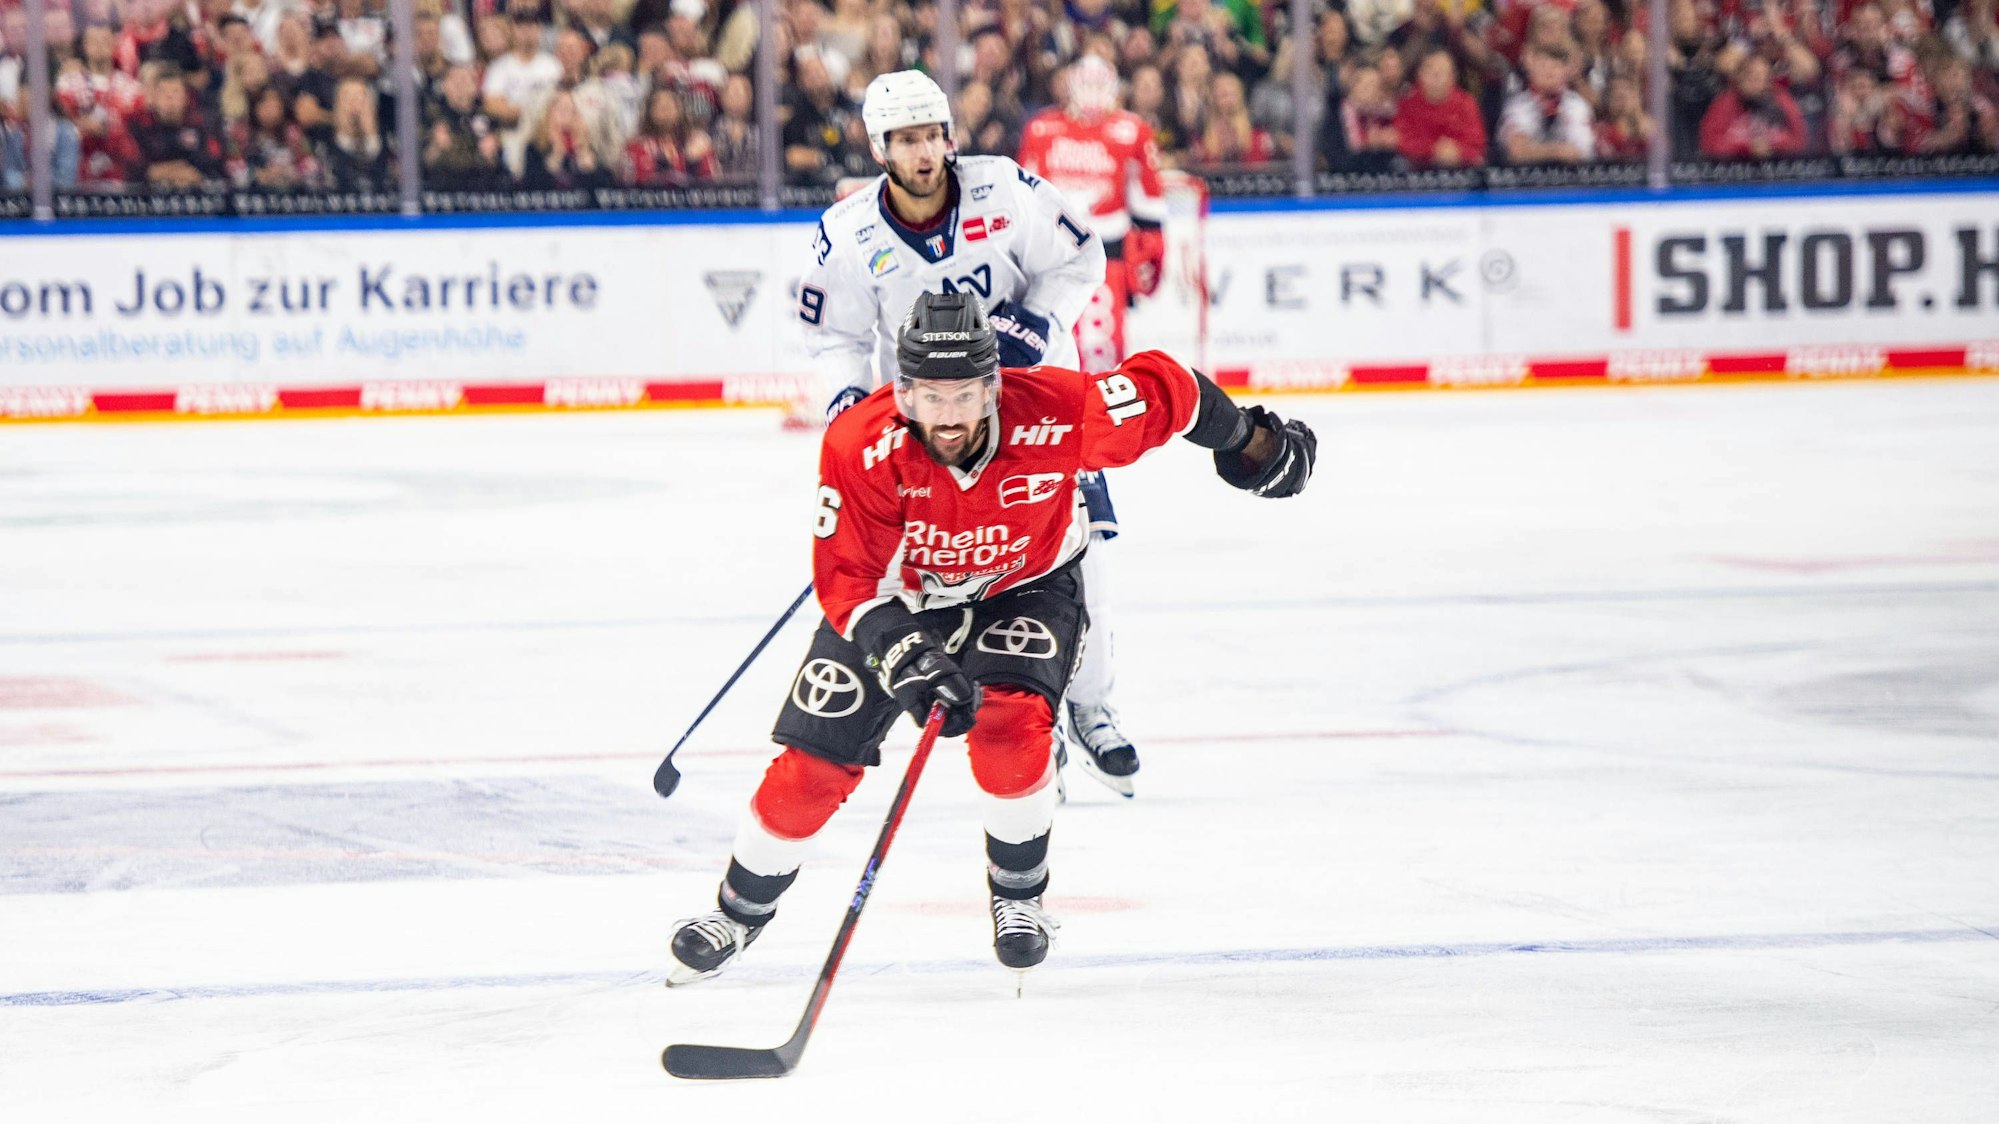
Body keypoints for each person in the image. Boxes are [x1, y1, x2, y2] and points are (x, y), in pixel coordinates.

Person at [665, 291, 1318, 987]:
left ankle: (1020, 902)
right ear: (902, 390)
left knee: (1010, 726)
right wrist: (906, 655)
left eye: (966, 396)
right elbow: (848, 583)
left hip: (1029, 583)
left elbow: (1171, 390)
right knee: (811, 768)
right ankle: (737, 913)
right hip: (901, 601)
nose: (946, 418)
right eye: (927, 398)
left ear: (995, 386)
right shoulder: (859, 443)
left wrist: (1252, 441)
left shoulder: (1061, 411)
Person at [794, 69, 1149, 799]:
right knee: (949, 575)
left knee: (1083, 560)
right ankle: (1027, 717)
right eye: (905, 139)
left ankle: (1089, 706)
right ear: (878, 147)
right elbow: (833, 337)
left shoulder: (1005, 190)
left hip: (1036, 413)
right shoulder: (849, 234)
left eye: (932, 134)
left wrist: (1033, 322)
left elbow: (1080, 259)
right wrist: (851, 410)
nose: (924, 152)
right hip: (937, 430)